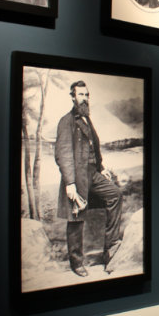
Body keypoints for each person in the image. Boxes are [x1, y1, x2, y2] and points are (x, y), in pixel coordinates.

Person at [55, 81, 124, 277]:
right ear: (73, 97)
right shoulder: (66, 122)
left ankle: (109, 248)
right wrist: (70, 183)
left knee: (115, 195)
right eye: (81, 95)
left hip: (93, 174)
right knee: (76, 216)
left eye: (87, 95)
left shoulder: (87, 119)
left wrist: (101, 169)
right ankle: (76, 262)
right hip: (76, 177)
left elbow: (94, 149)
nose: (85, 98)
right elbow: (63, 154)